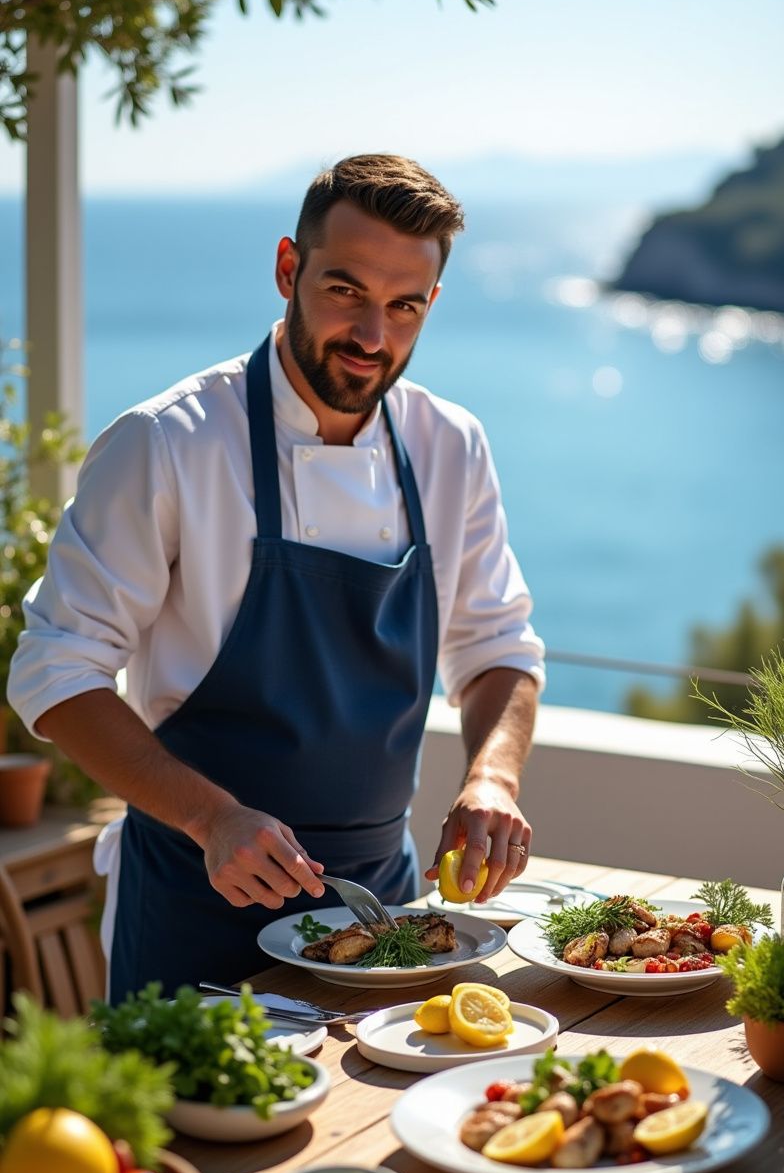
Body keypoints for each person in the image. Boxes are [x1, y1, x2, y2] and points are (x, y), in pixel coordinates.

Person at [9, 154, 544, 1001]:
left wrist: (492, 778)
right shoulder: (168, 444)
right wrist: (209, 817)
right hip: (193, 911)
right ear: (289, 268)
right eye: (345, 292)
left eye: (403, 307)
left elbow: (497, 647)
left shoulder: (452, 446)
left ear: (431, 305)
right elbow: (53, 669)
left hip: (386, 918)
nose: (373, 337)